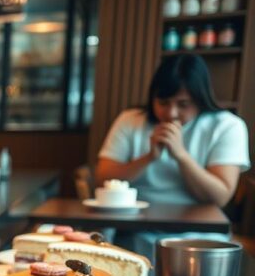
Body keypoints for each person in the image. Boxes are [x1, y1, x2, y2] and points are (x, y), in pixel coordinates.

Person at [96, 54, 249, 207]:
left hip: (198, 220)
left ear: (200, 100)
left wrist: (181, 155)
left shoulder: (227, 126)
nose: (171, 113)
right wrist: (149, 157)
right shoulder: (130, 119)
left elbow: (220, 197)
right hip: (134, 217)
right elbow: (102, 180)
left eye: (183, 104)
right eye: (163, 103)